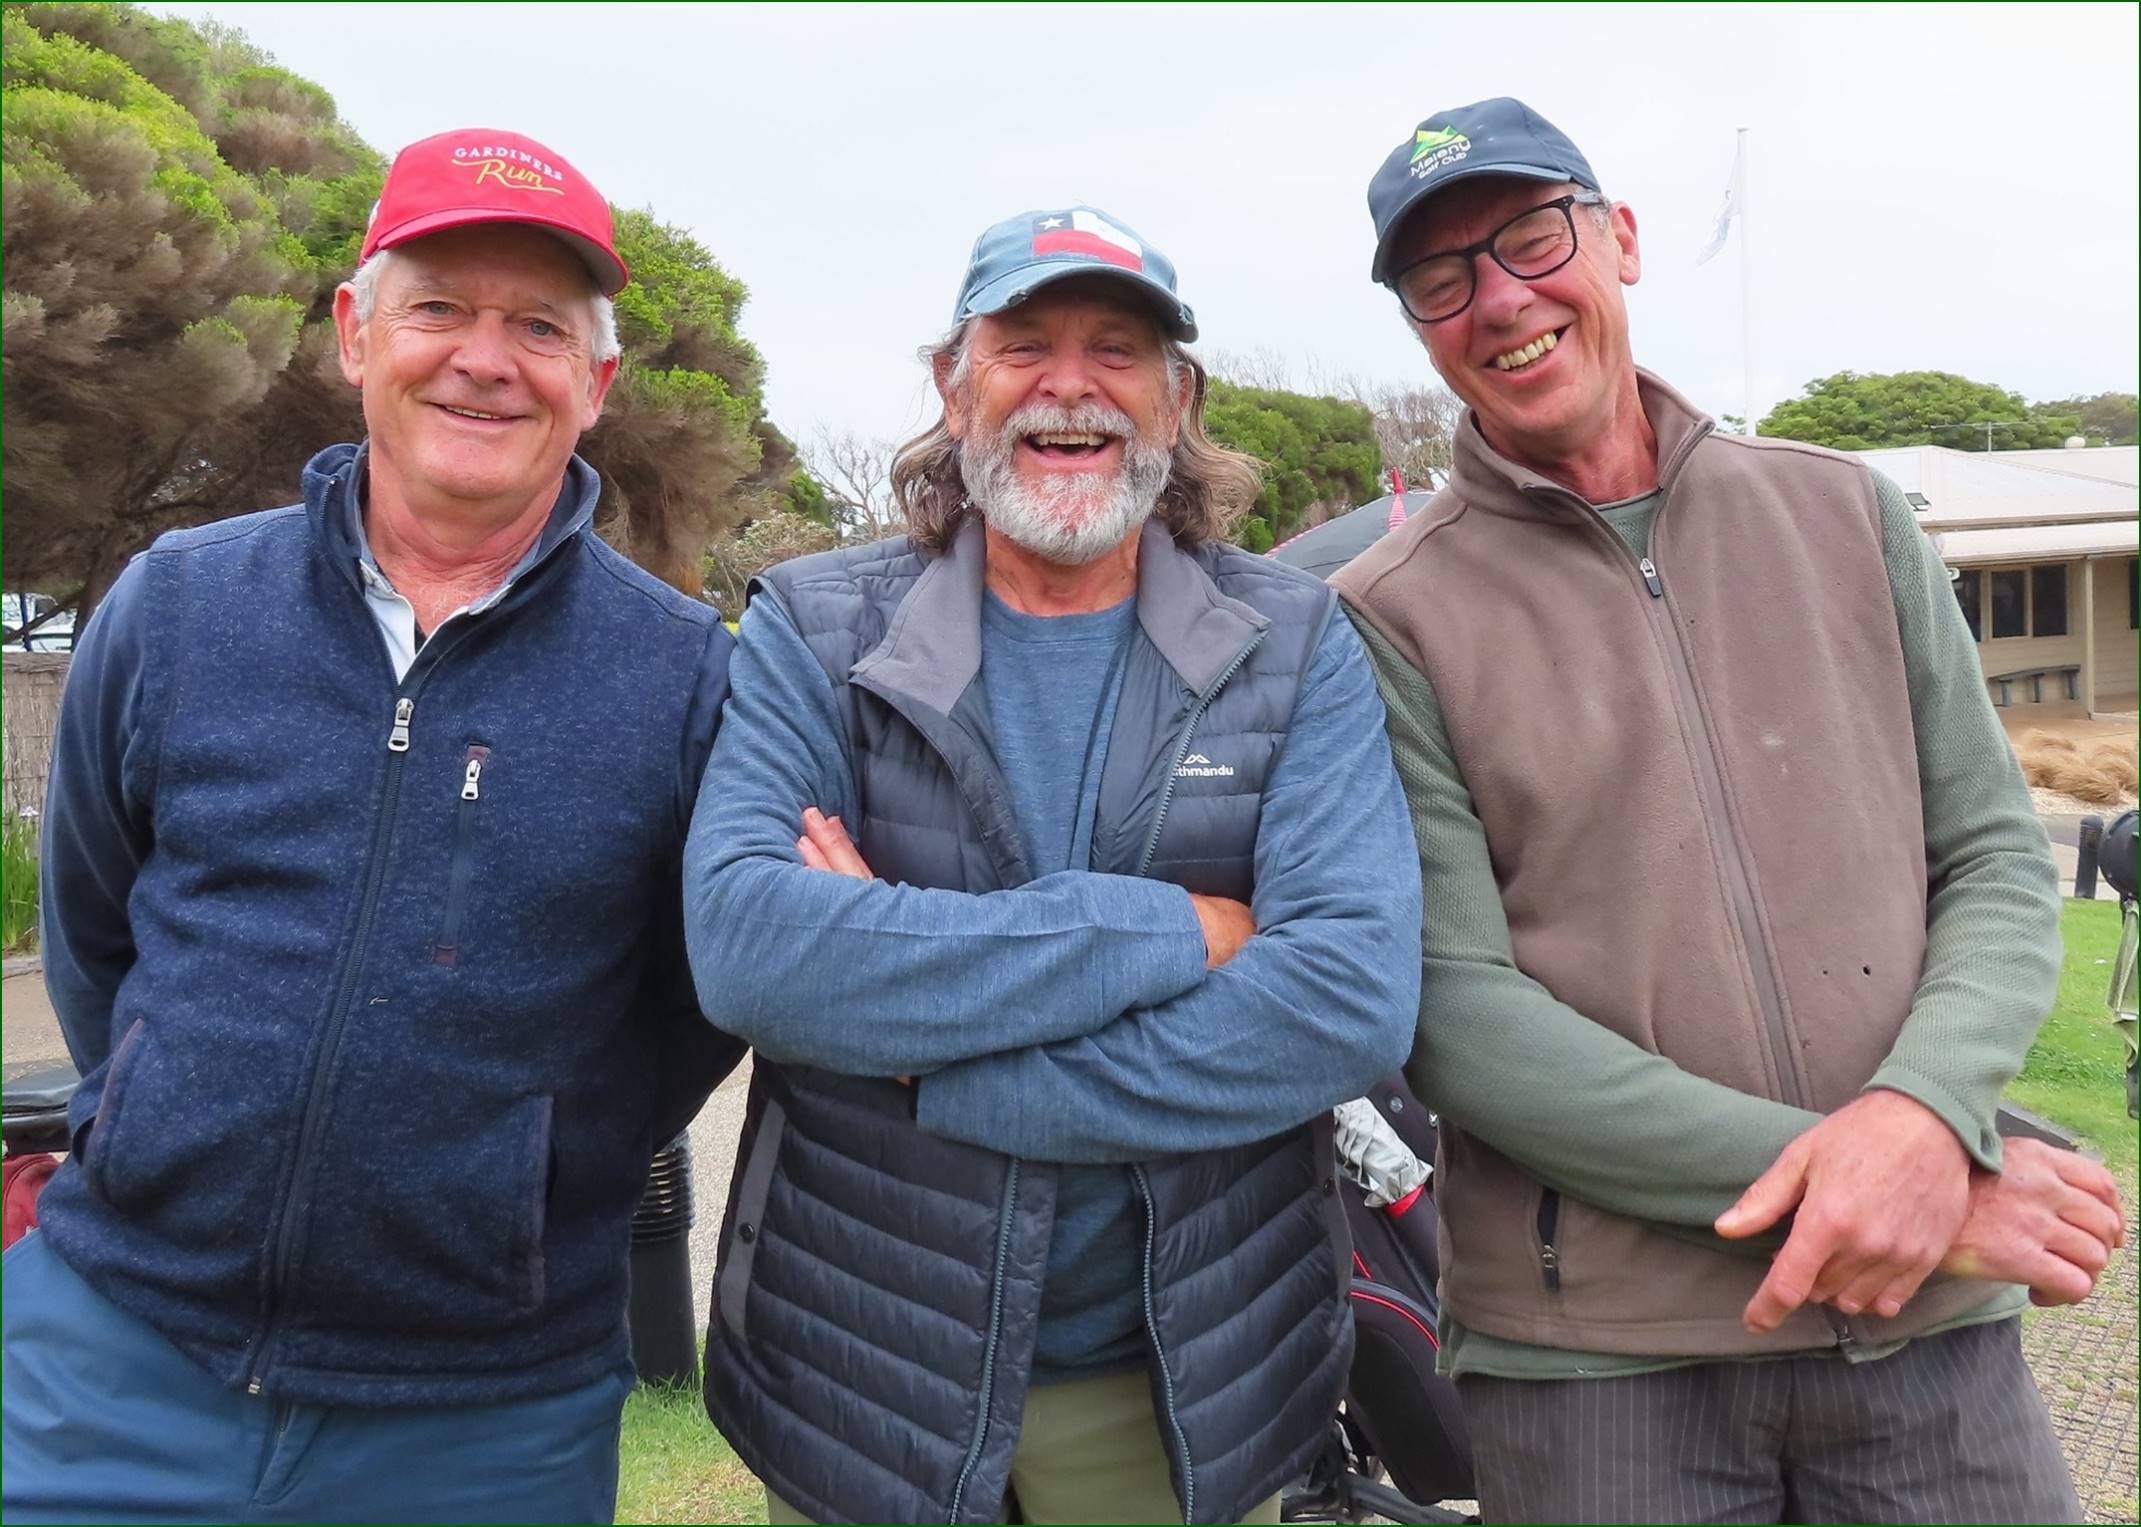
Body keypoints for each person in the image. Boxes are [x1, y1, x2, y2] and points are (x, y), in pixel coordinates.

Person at [1333, 97, 2126, 1523]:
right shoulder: (1380, 620)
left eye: (1528, 237)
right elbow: (1451, 1009)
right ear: (1418, 327)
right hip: (1598, 1371)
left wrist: (1916, 1117)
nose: (1499, 299)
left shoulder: (1847, 514)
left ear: (1617, 239)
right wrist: (1908, 1189)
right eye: (1440, 279)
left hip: (1919, 1336)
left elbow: (1995, 862)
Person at [1, 128, 739, 1525]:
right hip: (111, 1363)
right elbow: (93, 926)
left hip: (487, 1420)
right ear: (353, 333)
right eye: (439, 308)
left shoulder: (686, 677)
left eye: (536, 325)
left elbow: (696, 1007)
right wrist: (150, 1116)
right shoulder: (175, 602)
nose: (483, 357)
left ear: (596, 383)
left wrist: (528, 1178)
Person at [681, 205, 1420, 1525]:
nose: (1068, 386)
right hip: (860, 1381)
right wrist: (1173, 934)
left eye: (1117, 350)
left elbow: (1342, 1003)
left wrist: (935, 1056)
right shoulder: (812, 625)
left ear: (1176, 396)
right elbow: (749, 948)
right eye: (1022, 343)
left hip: (1187, 1390)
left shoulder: (1294, 638)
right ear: (951, 383)